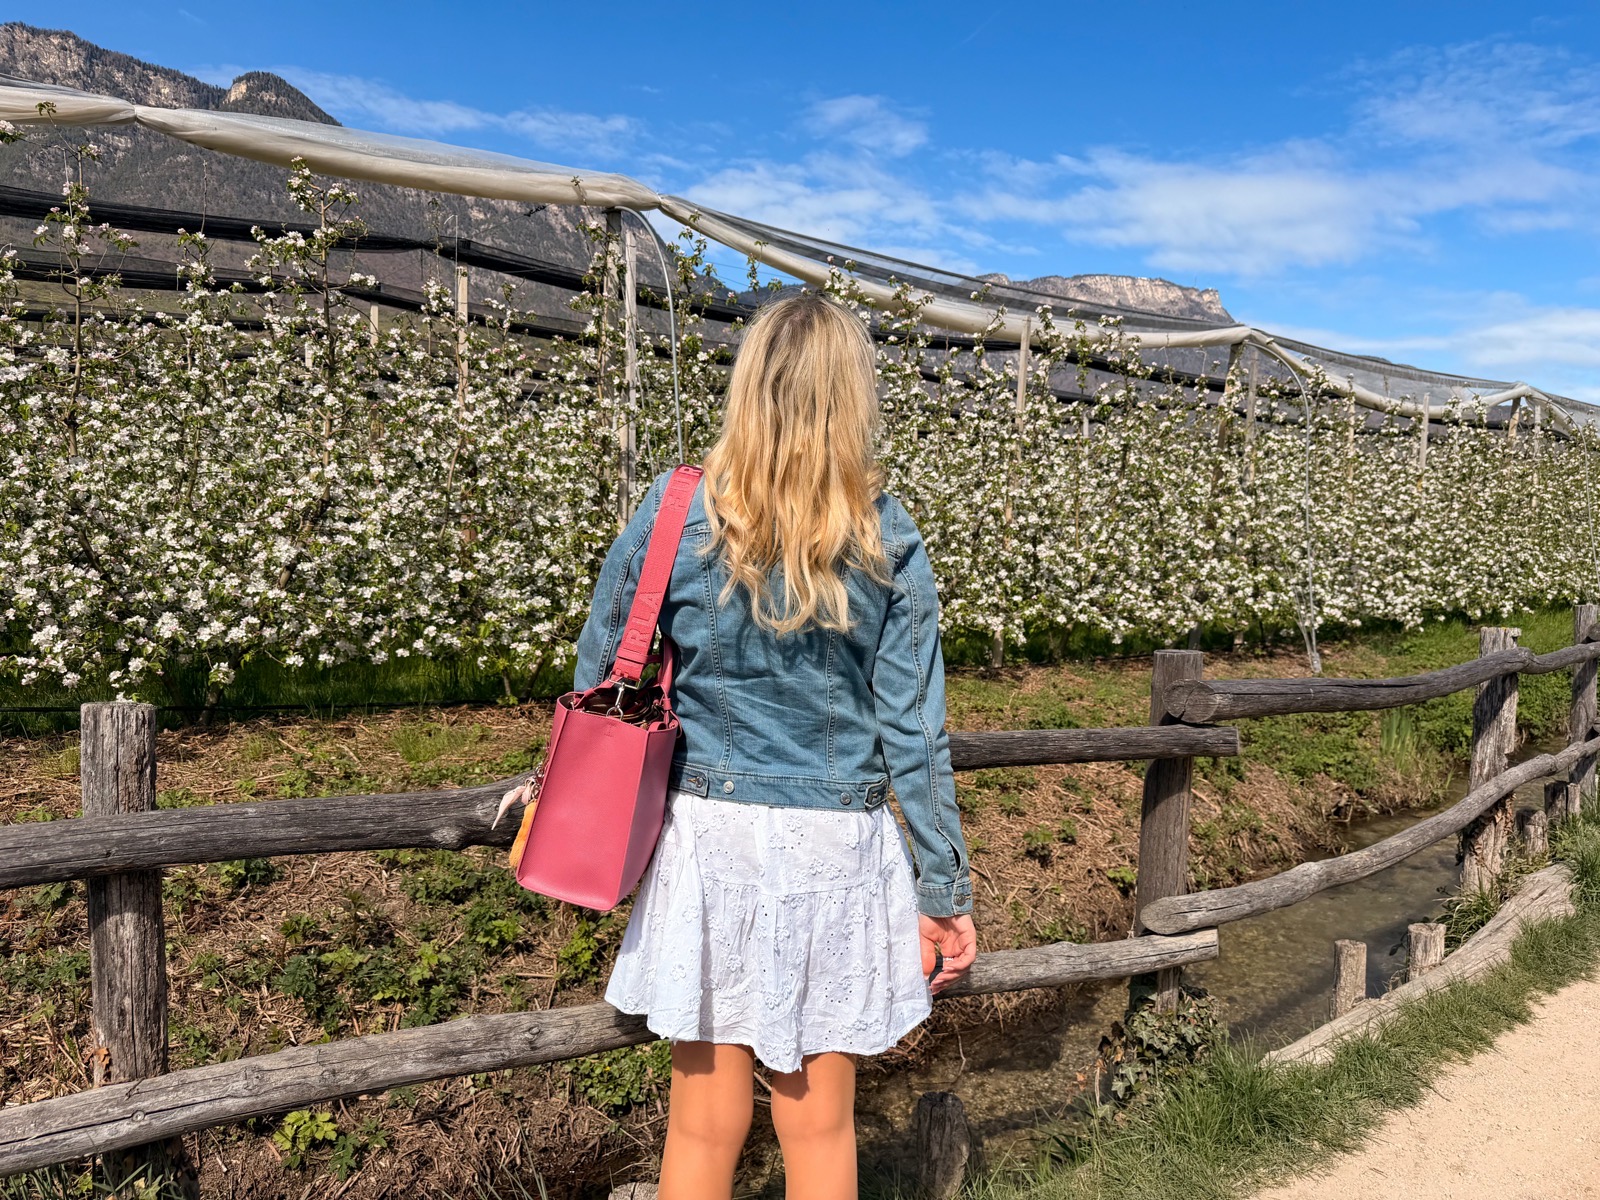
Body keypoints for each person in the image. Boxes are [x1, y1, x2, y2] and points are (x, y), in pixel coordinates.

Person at [579, 293, 976, 1199]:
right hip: (836, 843)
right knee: (821, 1126)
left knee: (702, 1128)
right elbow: (915, 729)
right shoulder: (883, 532)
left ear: (748, 384)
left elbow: (602, 666)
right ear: (853, 396)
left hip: (707, 839)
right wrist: (944, 890)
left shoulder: (677, 509)